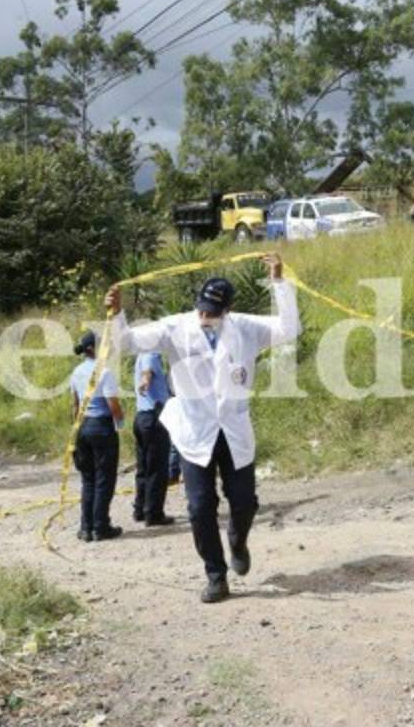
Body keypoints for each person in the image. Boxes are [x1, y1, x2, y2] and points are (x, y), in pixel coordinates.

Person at [107, 253, 299, 603]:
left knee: (244, 502)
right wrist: (117, 314)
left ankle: (238, 539)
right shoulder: (175, 327)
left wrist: (279, 283)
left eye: (213, 311)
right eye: (202, 309)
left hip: (234, 430)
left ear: (227, 310)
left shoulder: (245, 328)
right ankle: (216, 575)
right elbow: (128, 343)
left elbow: (288, 329)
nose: (205, 316)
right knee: (199, 506)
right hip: (193, 432)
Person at [70, 331, 126, 542]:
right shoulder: (105, 372)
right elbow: (114, 405)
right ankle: (101, 526)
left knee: (88, 479)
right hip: (102, 427)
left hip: (83, 427)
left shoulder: (76, 372)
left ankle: (86, 528)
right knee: (104, 478)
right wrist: (120, 425)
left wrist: (76, 432)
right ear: (93, 349)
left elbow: (75, 405)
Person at [133, 350, 175, 526]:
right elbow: (148, 372)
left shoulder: (140, 354)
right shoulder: (151, 354)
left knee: (143, 467)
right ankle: (154, 513)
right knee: (157, 468)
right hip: (154, 417)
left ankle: (140, 509)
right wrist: (146, 381)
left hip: (142, 417)